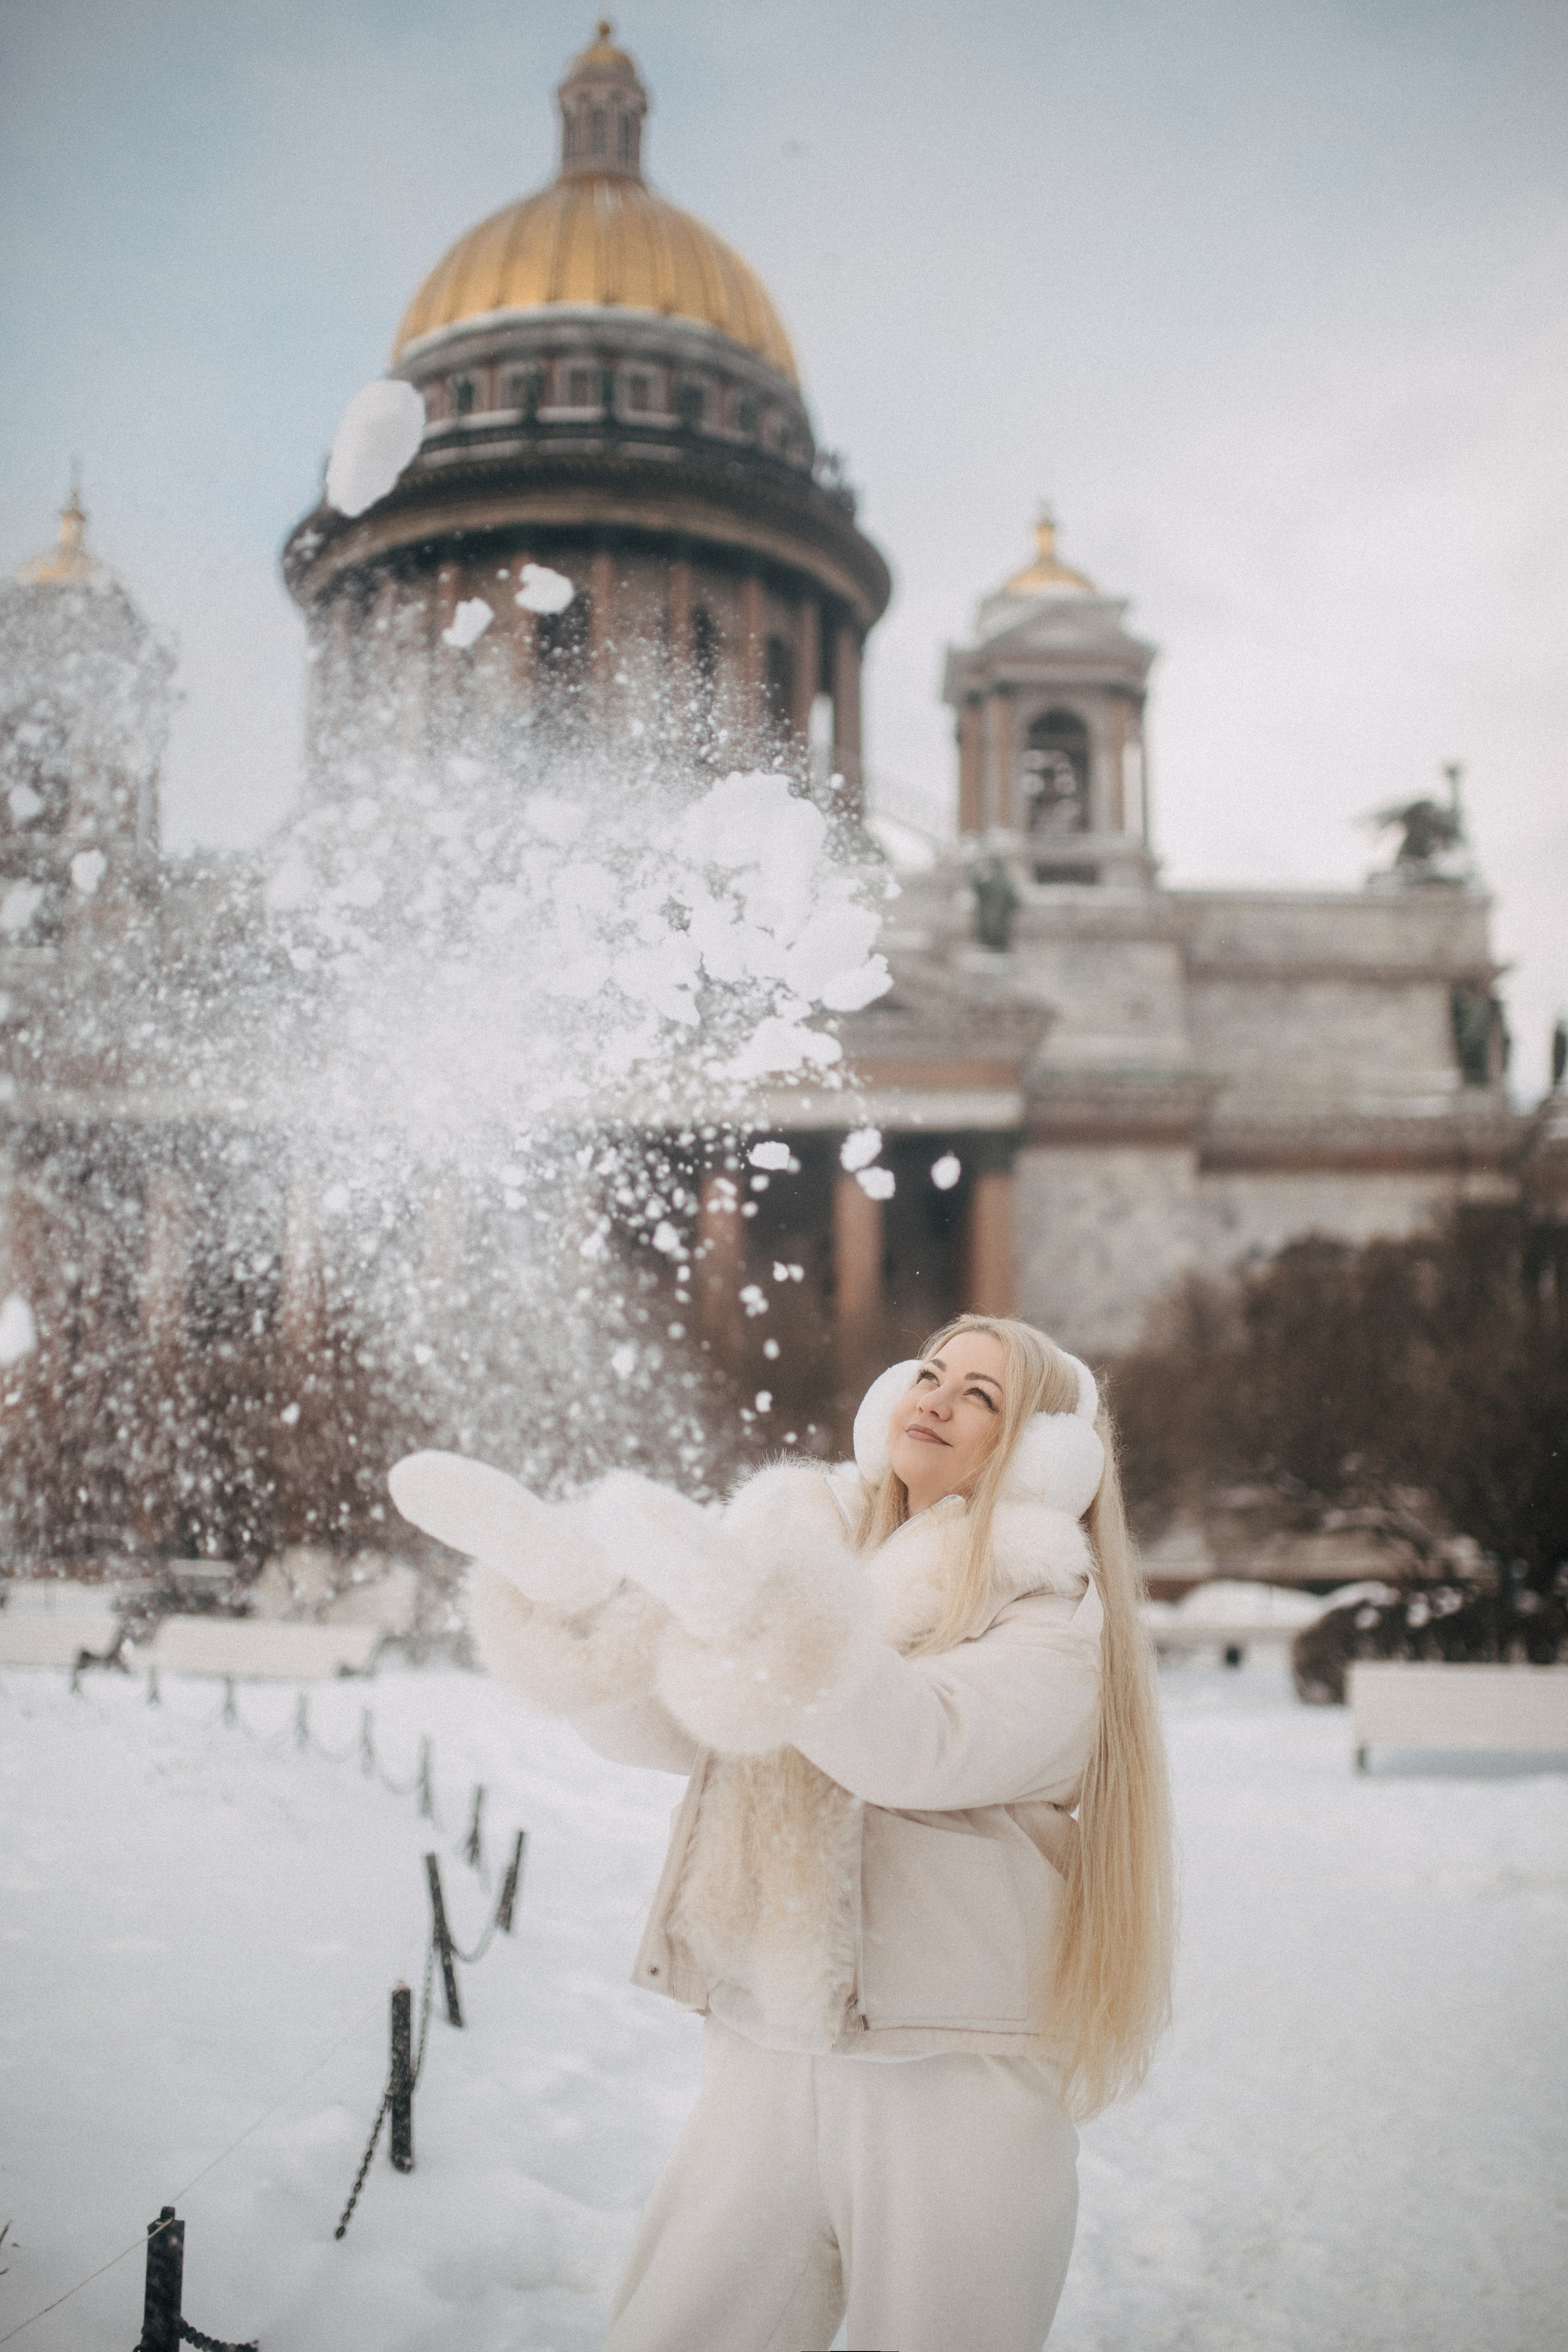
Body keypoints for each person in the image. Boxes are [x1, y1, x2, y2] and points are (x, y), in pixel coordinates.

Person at [390, 1313, 1175, 2352]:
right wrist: (583, 1613)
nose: (935, 1398)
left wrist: (762, 1625)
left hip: (951, 2078)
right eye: (929, 1374)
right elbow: (683, 1731)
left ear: (1041, 1455)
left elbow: (917, 1744)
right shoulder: (823, 1561)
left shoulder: (1052, 1614)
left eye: (981, 1395)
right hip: (773, 2038)